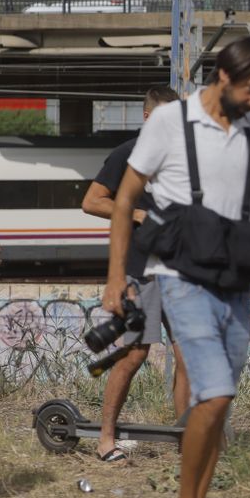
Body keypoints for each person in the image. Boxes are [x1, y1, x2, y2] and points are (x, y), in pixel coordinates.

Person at [102, 40, 250, 498]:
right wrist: (116, 277)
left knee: (217, 409)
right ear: (222, 77)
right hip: (180, 278)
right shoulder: (170, 121)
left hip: (236, 282)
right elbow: (123, 199)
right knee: (214, 394)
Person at [83, 85, 188, 461]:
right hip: (139, 271)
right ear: (148, 118)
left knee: (188, 356)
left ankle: (185, 442)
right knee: (134, 354)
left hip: (179, 270)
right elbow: (91, 201)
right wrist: (137, 214)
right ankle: (105, 439)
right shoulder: (127, 154)